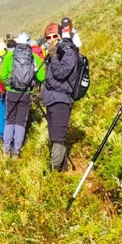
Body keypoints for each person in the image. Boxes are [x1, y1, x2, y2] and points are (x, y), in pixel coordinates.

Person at [0, 32, 45, 158]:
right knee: (20, 122)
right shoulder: (34, 57)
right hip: (26, 93)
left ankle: (6, 149)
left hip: (12, 93)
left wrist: (9, 85)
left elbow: (3, 75)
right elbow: (42, 77)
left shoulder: (10, 55)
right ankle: (16, 152)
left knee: (10, 119)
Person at [42, 22, 79, 171]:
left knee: (58, 138)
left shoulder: (68, 52)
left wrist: (53, 55)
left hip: (61, 100)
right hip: (51, 99)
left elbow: (61, 73)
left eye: (55, 36)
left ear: (60, 36)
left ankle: (53, 173)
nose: (52, 39)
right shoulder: (54, 52)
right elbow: (49, 78)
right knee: (54, 136)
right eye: (48, 37)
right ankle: (62, 171)